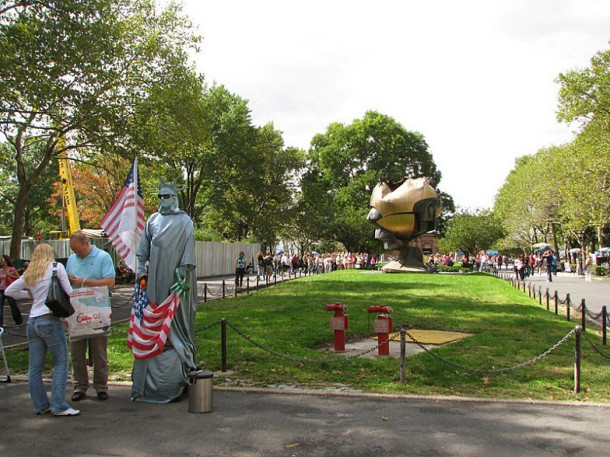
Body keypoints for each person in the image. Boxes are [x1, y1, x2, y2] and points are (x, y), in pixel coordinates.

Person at [132, 181, 197, 403]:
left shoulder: (185, 221)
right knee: (152, 324)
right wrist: (141, 273)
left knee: (177, 323)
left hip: (176, 284)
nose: (162, 200)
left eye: (166, 196)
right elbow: (142, 253)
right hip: (153, 285)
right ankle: (146, 381)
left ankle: (181, 370)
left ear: (174, 198)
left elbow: (188, 254)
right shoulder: (152, 220)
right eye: (160, 196)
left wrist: (182, 272)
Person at [5, 244, 79, 416]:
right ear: (50, 254)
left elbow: (9, 291)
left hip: (33, 321)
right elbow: (69, 291)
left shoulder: (30, 273)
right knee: (61, 362)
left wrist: (28, 295)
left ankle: (40, 405)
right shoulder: (56, 267)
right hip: (49, 319)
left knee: (35, 367)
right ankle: (59, 405)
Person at [66, 230, 115, 402]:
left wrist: (85, 282)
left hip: (97, 311)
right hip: (77, 312)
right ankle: (80, 386)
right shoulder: (72, 260)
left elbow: (110, 282)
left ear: (86, 243)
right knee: (77, 354)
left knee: (99, 352)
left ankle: (101, 386)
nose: (76, 253)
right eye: (74, 251)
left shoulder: (103, 257)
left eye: (78, 250)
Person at [0, 255, 22, 327]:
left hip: (10, 289)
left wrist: (9, 275)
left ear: (6, 261)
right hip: (1, 290)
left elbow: (19, 277)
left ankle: (18, 321)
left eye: (2, 260)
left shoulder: (12, 269)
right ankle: (0, 323)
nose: (0, 261)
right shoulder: (0, 271)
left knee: (13, 305)